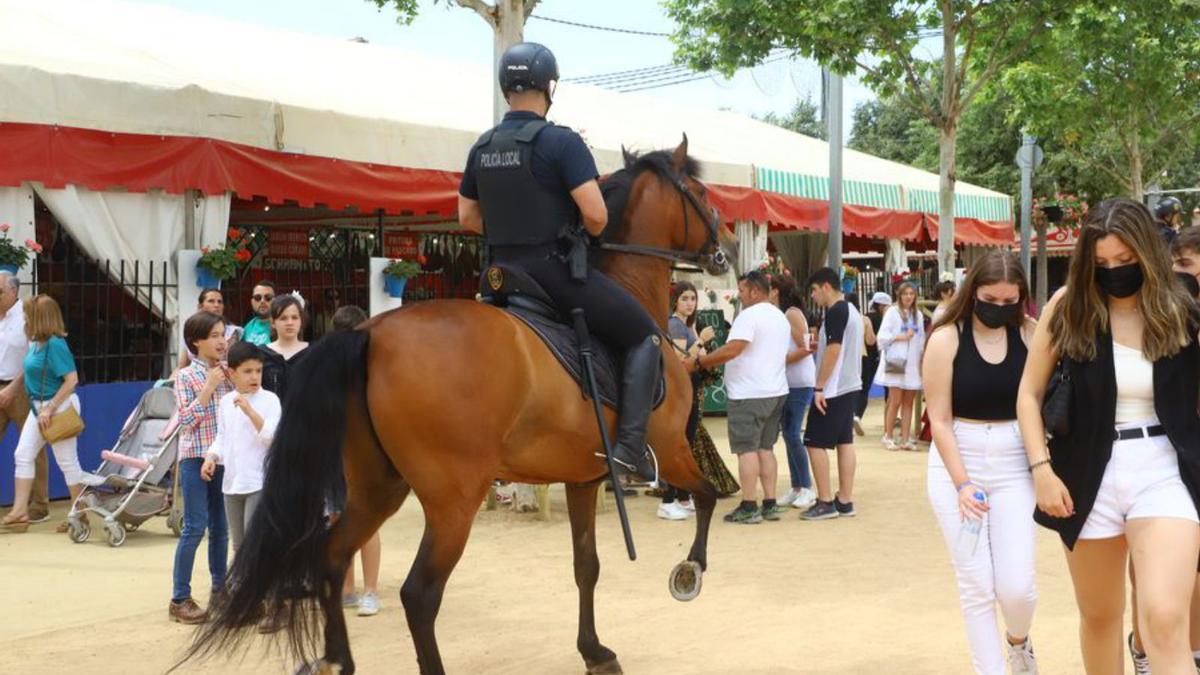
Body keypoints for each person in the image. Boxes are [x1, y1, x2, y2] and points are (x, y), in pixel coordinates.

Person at [457, 42, 659, 481]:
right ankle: (628, 449)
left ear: (505, 87)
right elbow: (597, 215)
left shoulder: (483, 147)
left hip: (496, 279)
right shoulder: (560, 142)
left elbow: (467, 217)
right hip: (552, 274)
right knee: (645, 335)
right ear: (550, 87)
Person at [1017, 198, 1200, 673]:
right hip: (1085, 473)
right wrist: (1041, 470)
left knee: (1163, 615)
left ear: (1147, 254)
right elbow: (1029, 395)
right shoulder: (1069, 307)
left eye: (1125, 261)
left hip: (1166, 468)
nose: (1113, 272)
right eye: (1101, 264)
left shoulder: (1182, 302)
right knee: (1099, 616)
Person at [924, 251, 1039, 674]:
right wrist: (962, 483)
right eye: (992, 298)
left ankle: (1019, 641)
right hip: (959, 458)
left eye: (1011, 301)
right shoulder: (946, 338)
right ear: (974, 292)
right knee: (975, 585)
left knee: (1017, 588)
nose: (1001, 307)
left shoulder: (1030, 333)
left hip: (1015, 462)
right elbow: (938, 419)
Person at [687, 271, 790, 524]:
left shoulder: (749, 316)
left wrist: (700, 362)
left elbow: (733, 349)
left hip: (749, 393)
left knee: (747, 450)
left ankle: (748, 504)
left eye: (742, 291)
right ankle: (769, 502)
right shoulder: (779, 316)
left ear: (755, 291)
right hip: (776, 390)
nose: (739, 295)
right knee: (766, 449)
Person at [169, 311, 234, 625]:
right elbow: (185, 422)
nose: (221, 341)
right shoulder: (185, 376)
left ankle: (220, 591)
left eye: (223, 334)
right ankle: (180, 598)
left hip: (223, 458)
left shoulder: (229, 373)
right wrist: (209, 387)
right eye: (213, 336)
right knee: (195, 526)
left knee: (221, 529)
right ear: (196, 341)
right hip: (194, 457)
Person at [0, 295, 83, 533]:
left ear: (39, 318)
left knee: (67, 462)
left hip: (57, 408)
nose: (24, 318)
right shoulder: (37, 342)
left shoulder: (55, 344)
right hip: (39, 408)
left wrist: (50, 407)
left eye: (28, 314)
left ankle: (79, 513)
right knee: (23, 454)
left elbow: (71, 380)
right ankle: (19, 512)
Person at [326, 304, 386, 617]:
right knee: (339, 518)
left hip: (362, 453)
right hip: (339, 450)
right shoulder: (332, 365)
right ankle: (348, 588)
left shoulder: (375, 363)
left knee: (365, 521)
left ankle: (370, 589)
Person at [200, 341, 280, 555]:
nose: (254, 377)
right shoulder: (226, 402)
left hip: (259, 481)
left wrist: (250, 412)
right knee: (238, 543)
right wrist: (211, 456)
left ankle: (257, 586)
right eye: (247, 371)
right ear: (232, 373)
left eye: (258, 371)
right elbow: (222, 437)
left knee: (254, 541)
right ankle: (240, 585)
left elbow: (272, 439)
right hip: (232, 482)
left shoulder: (270, 400)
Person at [801, 267, 865, 521]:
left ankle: (825, 500)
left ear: (826, 286)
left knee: (814, 441)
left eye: (815, 291)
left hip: (834, 387)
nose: (814, 297)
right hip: (849, 385)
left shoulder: (837, 311)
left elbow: (834, 350)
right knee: (844, 442)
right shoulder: (852, 311)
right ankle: (845, 499)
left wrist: (819, 386)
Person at [660, 282, 716, 520]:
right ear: (675, 301)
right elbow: (681, 363)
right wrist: (701, 341)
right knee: (680, 443)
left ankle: (682, 496)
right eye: (685, 298)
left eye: (693, 298)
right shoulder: (675, 326)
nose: (690, 303)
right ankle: (668, 499)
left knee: (687, 442)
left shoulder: (688, 327)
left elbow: (700, 359)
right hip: (680, 391)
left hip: (690, 391)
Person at [769, 275, 817, 510]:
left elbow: (807, 347)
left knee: (791, 433)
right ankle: (798, 486)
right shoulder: (787, 313)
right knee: (789, 433)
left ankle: (806, 486)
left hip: (798, 381)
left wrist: (781, 360)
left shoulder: (790, 313)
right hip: (791, 381)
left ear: (776, 291)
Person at [0, 274, 43, 524]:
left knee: (33, 447)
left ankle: (39, 504)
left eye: (0, 292)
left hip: (23, 388)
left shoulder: (27, 316)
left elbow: (36, 356)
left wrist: (13, 388)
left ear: (14, 291)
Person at [875, 281, 925, 451]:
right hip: (896, 359)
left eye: (912, 294)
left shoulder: (917, 314)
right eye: (905, 294)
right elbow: (882, 337)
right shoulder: (892, 312)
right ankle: (888, 435)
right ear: (900, 295)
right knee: (895, 400)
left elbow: (921, 339)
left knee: (908, 401)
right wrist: (901, 337)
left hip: (912, 362)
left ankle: (905, 438)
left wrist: (921, 359)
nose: (909, 297)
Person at [259, 293, 310, 403]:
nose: (290, 323)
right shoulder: (261, 354)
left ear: (301, 321)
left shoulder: (313, 353)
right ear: (273, 322)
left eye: (294, 317)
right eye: (283, 318)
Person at [176, 289, 241, 371]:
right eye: (211, 301)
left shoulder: (232, 331)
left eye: (220, 302)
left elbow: (227, 362)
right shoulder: (194, 329)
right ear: (200, 307)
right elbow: (182, 365)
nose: (217, 305)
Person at [859, 292, 890, 432]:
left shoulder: (865, 317)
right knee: (889, 388)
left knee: (863, 388)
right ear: (883, 305)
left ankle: (856, 415)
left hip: (867, 357)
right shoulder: (885, 319)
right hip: (882, 357)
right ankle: (890, 417)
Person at [241, 281, 275, 347]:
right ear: (252, 302)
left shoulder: (281, 324)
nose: (262, 301)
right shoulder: (247, 327)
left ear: (275, 300)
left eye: (268, 298)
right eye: (257, 298)